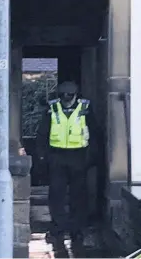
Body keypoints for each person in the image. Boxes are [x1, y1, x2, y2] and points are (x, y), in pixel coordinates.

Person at [36, 81, 100, 256]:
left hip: (78, 157)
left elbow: (94, 133)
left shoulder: (85, 108)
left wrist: (91, 157)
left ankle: (76, 229)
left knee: (78, 196)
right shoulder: (53, 109)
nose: (66, 99)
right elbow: (42, 133)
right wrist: (43, 157)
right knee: (56, 194)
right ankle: (59, 228)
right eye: (63, 96)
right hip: (57, 157)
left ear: (75, 95)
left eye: (69, 96)